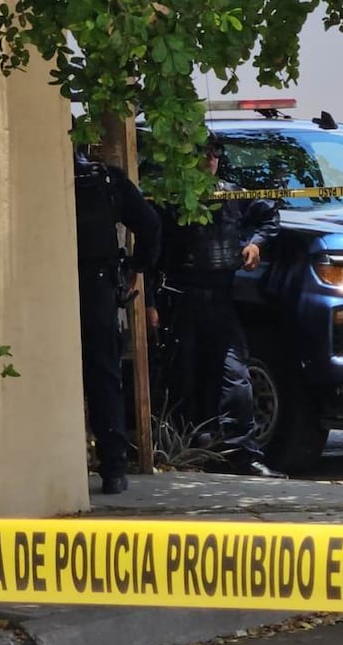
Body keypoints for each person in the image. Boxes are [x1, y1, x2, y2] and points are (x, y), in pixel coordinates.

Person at [149, 131, 285, 478]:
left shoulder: (231, 194)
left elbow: (269, 216)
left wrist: (255, 243)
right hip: (180, 298)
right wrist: (149, 302)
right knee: (184, 379)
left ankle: (243, 454)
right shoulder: (168, 198)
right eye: (200, 153)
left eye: (213, 153)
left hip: (220, 298)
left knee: (235, 379)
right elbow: (150, 252)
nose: (209, 159)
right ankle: (187, 453)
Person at [74, 148, 160, 495]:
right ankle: (113, 469)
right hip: (97, 284)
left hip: (49, 280)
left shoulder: (35, 173)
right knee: (103, 372)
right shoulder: (105, 178)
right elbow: (150, 225)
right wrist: (137, 267)